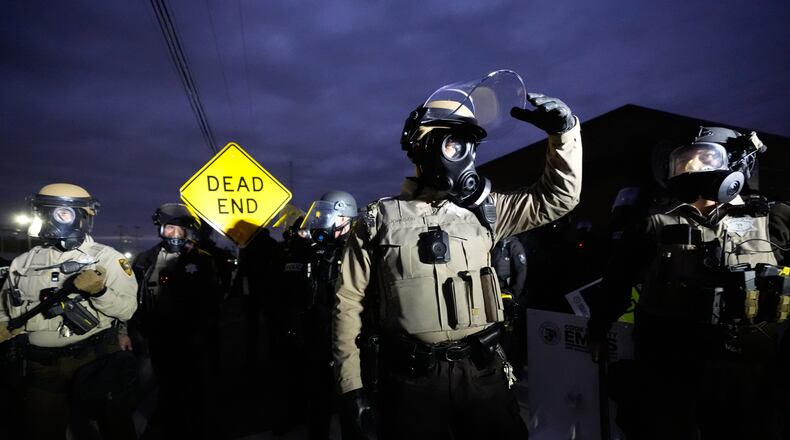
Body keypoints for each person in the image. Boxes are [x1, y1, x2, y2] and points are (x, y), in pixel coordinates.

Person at [333, 70, 582, 440]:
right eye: (454, 143)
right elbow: (348, 304)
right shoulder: (378, 219)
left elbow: (558, 198)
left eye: (470, 144)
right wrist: (351, 389)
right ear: (422, 146)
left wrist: (563, 136)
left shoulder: (486, 211)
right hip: (412, 383)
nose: (465, 156)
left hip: (484, 374)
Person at [588, 127, 789, 439]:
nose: (692, 166)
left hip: (746, 366)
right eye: (686, 159)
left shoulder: (770, 218)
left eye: (705, 157)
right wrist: (598, 330)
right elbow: (617, 279)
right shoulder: (653, 222)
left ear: (735, 166)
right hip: (669, 363)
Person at [0, 183, 138, 440]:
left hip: (93, 361)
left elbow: (127, 310)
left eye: (63, 213)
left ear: (82, 217)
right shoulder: (24, 262)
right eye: (47, 212)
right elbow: (5, 307)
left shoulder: (107, 258)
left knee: (109, 426)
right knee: (42, 429)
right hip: (41, 367)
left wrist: (100, 292)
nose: (53, 220)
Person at [128, 203, 220, 439]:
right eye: (170, 229)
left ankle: (199, 428)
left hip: (192, 337)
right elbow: (133, 297)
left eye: (180, 229)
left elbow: (212, 299)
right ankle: (171, 426)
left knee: (196, 388)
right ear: (161, 229)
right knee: (165, 389)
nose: (175, 234)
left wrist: (203, 331)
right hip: (157, 336)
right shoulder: (144, 259)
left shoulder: (202, 260)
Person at [273, 191, 357, 438]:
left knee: (352, 403)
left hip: (349, 340)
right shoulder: (314, 251)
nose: (324, 221)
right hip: (316, 337)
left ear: (345, 218)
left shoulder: (358, 252)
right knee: (317, 399)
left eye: (332, 216)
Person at [491, 236, 528, 378]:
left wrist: (513, 295)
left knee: (511, 337)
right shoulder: (495, 244)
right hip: (495, 296)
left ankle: (515, 369)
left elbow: (521, 272)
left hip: (510, 298)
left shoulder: (513, 245)